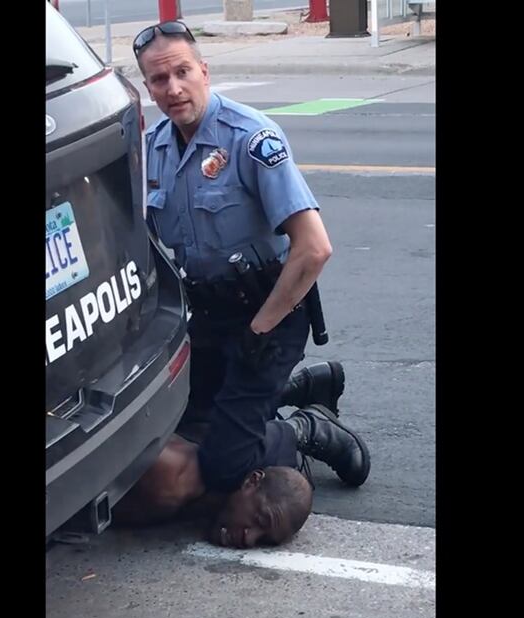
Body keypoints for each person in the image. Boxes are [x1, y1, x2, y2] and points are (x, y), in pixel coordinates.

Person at [131, 21, 371, 508]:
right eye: (159, 79)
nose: (173, 88)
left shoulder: (251, 138)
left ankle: (308, 427)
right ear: (148, 87)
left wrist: (260, 330)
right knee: (181, 428)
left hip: (269, 316)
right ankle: (296, 387)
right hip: (207, 315)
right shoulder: (154, 148)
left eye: (182, 72)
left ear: (204, 71)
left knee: (223, 465)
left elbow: (314, 248)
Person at [113, 362, 348, 548]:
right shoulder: (170, 480)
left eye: (263, 540)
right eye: (259, 520)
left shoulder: (220, 502)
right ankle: (304, 428)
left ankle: (292, 390)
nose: (249, 539)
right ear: (251, 482)